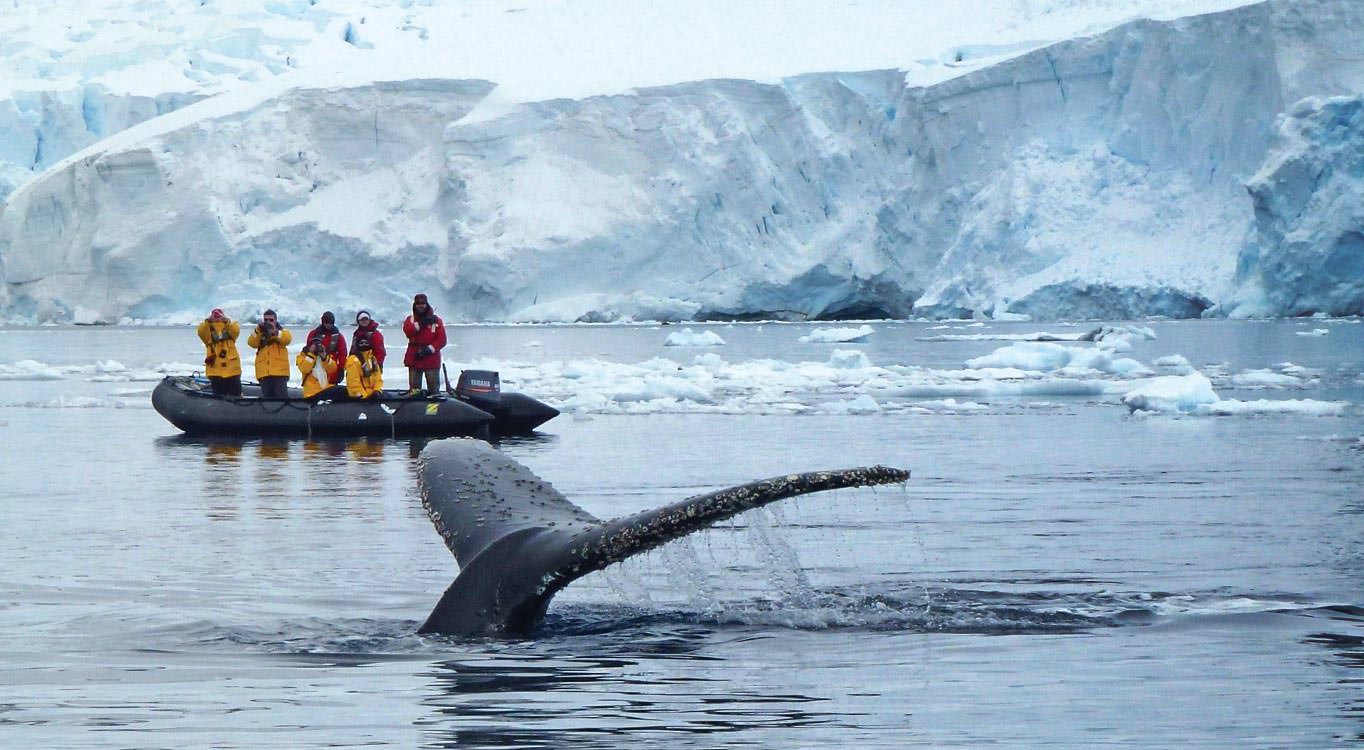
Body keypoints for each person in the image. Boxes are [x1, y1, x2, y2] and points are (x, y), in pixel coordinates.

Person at [402, 293, 446, 396]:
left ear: (427, 304)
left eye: (423, 303)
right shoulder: (410, 320)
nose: (420, 306)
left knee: (433, 388)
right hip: (415, 357)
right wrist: (421, 324)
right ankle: (415, 408)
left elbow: (442, 340)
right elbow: (408, 332)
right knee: (414, 390)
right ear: (414, 305)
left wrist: (429, 349)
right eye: (418, 303)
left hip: (431, 358)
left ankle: (435, 408)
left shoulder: (436, 321)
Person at [247, 309, 293, 399]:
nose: (268, 322)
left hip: (279, 373)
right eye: (266, 320)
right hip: (264, 373)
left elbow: (287, 339)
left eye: (271, 320)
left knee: (281, 400)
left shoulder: (283, 332)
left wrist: (274, 332)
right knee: (267, 401)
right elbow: (251, 343)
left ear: (276, 320)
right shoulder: (259, 333)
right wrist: (258, 330)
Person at [196, 308, 242, 397]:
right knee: (219, 398)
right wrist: (208, 321)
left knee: (236, 396)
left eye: (219, 314)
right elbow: (200, 331)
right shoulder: (207, 331)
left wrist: (226, 320)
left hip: (232, 371)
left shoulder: (230, 328)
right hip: (216, 371)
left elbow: (236, 329)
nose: (217, 316)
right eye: (215, 314)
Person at [305, 311, 348, 385]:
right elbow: (308, 350)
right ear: (323, 322)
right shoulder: (313, 334)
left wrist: (341, 369)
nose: (328, 325)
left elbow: (342, 354)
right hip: (316, 370)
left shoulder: (338, 337)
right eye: (326, 322)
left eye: (330, 323)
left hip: (331, 370)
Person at [296, 337, 344, 401]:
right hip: (312, 392)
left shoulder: (325, 356)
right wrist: (311, 354)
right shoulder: (302, 357)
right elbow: (305, 369)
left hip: (325, 389)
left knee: (344, 390)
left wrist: (324, 358)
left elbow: (333, 369)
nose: (317, 348)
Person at [345, 335, 384, 400]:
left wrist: (377, 391)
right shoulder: (353, 360)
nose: (364, 345)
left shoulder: (372, 359)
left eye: (366, 343)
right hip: (361, 396)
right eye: (361, 343)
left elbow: (378, 378)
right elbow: (353, 382)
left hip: (372, 394)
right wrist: (364, 397)